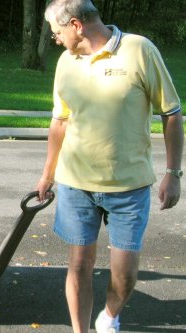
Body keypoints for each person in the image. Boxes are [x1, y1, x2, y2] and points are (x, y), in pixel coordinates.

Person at [36, 1, 184, 332]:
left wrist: (173, 174)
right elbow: (59, 122)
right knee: (78, 265)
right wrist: (47, 175)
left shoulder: (139, 50)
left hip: (128, 188)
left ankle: (110, 315)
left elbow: (171, 114)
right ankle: (81, 330)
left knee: (126, 275)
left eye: (57, 32)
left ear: (76, 25)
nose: (55, 39)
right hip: (77, 184)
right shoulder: (66, 63)